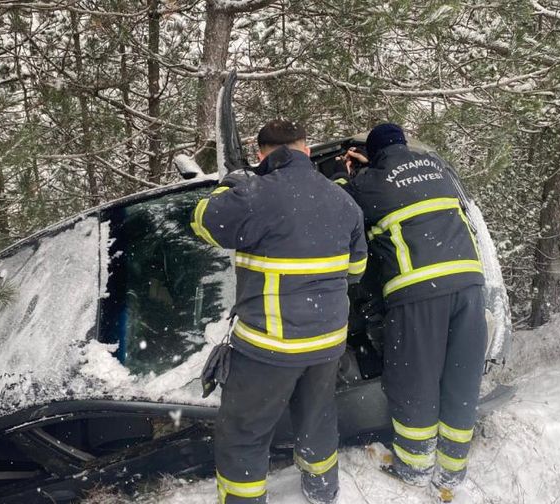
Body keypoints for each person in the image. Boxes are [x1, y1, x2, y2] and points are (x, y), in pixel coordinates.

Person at [190, 119, 368, 504]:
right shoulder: (344, 201)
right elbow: (356, 272)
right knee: (317, 417)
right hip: (327, 343)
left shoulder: (255, 193)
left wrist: (231, 181)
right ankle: (323, 490)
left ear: (261, 155)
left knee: (244, 432)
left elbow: (203, 223)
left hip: (270, 346)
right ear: (306, 150)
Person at [336, 123, 487, 501]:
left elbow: (338, 205)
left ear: (371, 153)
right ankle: (451, 473)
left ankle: (414, 466)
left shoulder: (369, 181)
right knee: (460, 379)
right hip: (469, 285)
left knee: (414, 379)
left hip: (419, 289)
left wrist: (348, 172)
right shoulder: (436, 168)